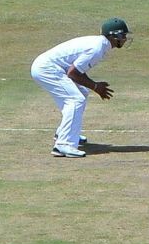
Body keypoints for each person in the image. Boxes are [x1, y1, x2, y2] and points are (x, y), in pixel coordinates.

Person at [30, 18, 131, 158]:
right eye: (123, 36)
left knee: (81, 93)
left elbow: (76, 71)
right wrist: (96, 87)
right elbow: (73, 73)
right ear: (114, 36)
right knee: (75, 99)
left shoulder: (99, 44)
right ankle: (63, 145)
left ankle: (65, 133)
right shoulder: (97, 48)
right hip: (46, 69)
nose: (125, 39)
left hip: (51, 67)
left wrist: (94, 86)